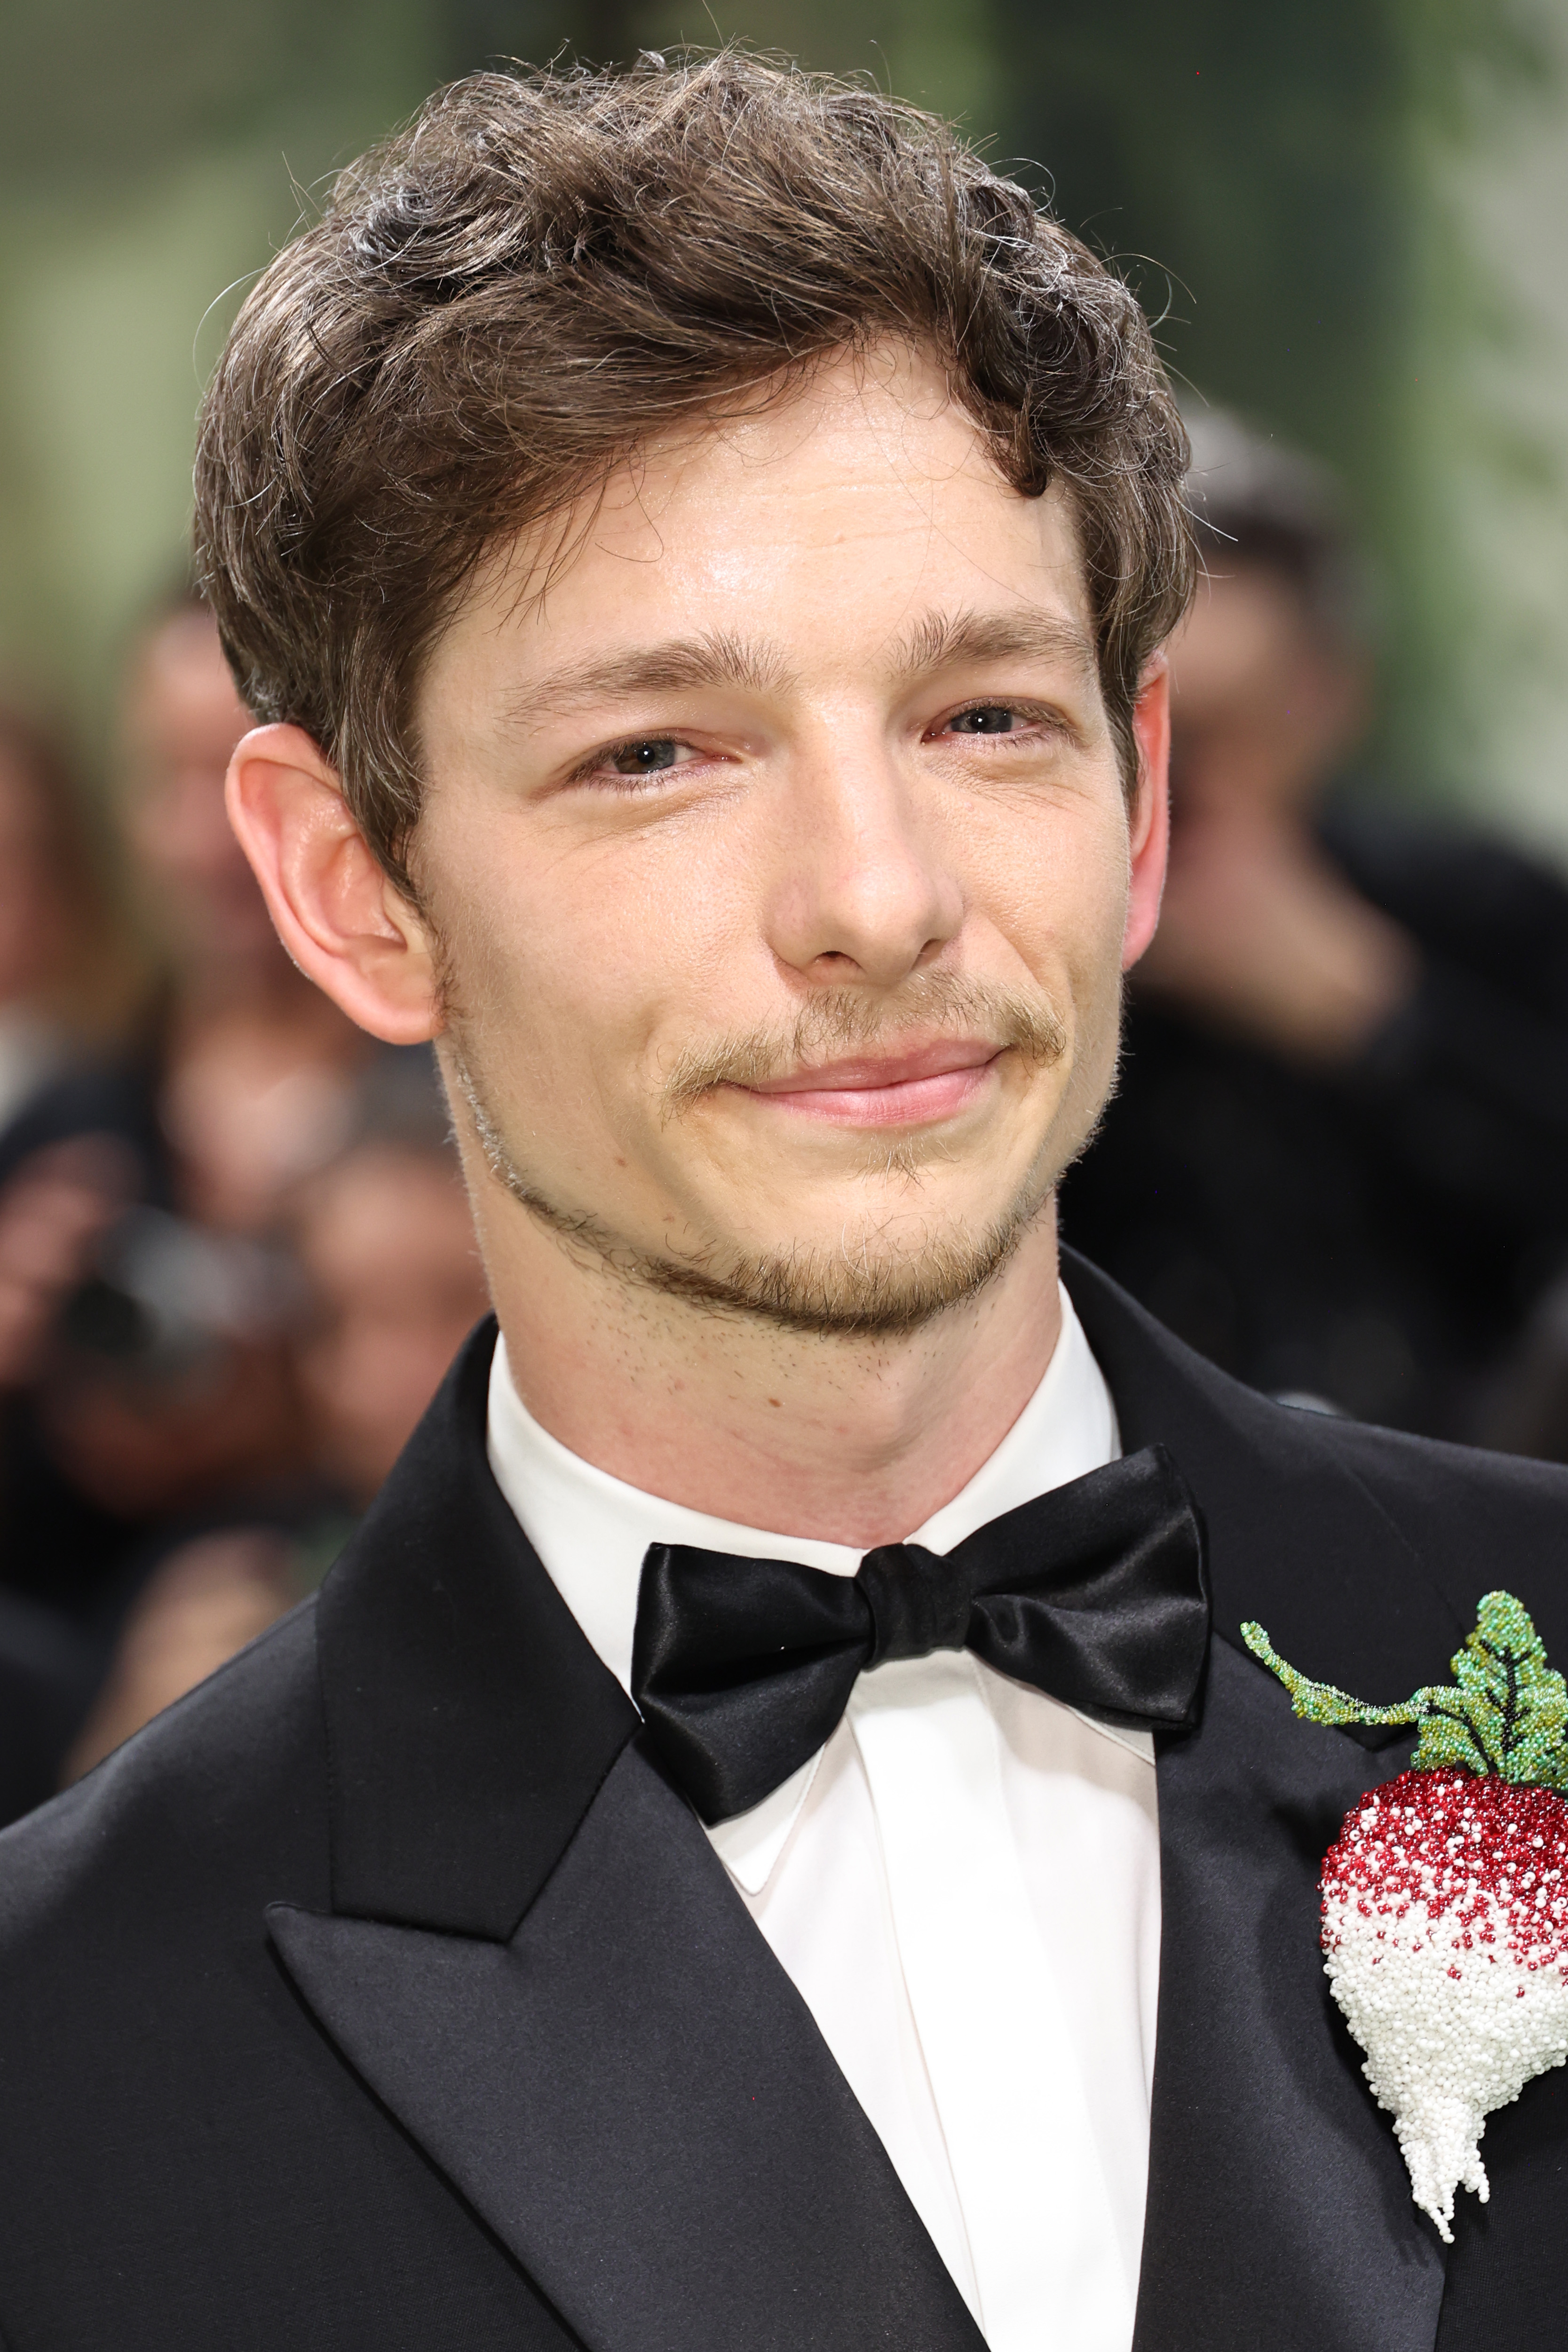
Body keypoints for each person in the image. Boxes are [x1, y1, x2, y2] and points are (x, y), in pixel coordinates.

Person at [0, 56, 1563, 2352]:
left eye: (982, 720)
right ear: (352, 889)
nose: (875, 899)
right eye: (658, 754)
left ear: (1138, 808)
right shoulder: (66, 2048)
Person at [1061, 408, 1568, 1438]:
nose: (1182, 784)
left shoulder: (1473, 909)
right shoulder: (1010, 949)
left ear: (1329, 697)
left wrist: (1373, 1017)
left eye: (1225, 730)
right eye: (1142, 727)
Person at [0, 594, 372, 1625]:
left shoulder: (458, 1109)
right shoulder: (62, 1137)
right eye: (170, 778)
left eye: (253, 775)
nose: (212, 840)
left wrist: (298, 1420)